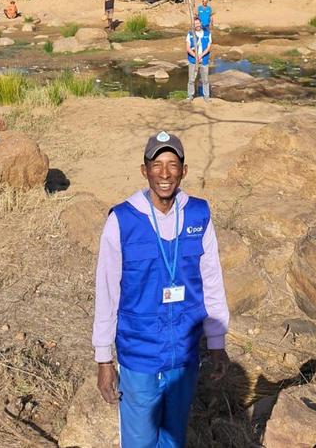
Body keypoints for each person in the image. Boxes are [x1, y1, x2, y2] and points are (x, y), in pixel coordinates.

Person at [93, 131, 229, 448]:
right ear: (145, 170)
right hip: (139, 355)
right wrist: (103, 359)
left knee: (173, 439)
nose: (165, 174)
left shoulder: (199, 215)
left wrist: (217, 342)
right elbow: (107, 291)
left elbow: (212, 280)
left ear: (184, 170)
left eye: (172, 164)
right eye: (157, 165)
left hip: (183, 355)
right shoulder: (122, 220)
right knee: (140, 441)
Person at [186, 17, 211, 101]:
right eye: (195, 24)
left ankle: (206, 96)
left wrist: (201, 56)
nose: (197, 25)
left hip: (204, 60)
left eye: (198, 23)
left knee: (205, 79)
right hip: (193, 60)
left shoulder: (207, 33)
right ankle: (190, 96)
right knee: (191, 79)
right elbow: (188, 48)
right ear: (193, 25)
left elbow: (208, 47)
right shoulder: (190, 34)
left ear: (201, 23)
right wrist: (196, 57)